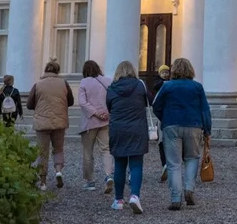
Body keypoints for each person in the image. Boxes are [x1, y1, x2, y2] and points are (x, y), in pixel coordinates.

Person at [152, 58, 212, 211]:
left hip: (171, 125)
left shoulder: (167, 86)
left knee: (173, 163)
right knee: (192, 158)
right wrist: (207, 129)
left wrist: (165, 119)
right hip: (194, 125)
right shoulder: (197, 87)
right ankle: (189, 189)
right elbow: (205, 110)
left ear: (174, 70)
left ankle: (175, 198)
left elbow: (156, 106)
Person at [106, 61, 149, 214]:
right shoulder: (140, 86)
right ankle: (134, 196)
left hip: (118, 129)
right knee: (136, 164)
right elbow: (147, 101)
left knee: (119, 164)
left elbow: (109, 107)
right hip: (137, 129)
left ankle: (118, 200)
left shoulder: (111, 88)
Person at [27, 60, 74, 191]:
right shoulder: (64, 83)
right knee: (58, 149)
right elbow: (70, 101)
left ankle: (43, 182)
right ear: (57, 71)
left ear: (45, 71)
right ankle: (58, 171)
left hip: (42, 123)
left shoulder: (38, 84)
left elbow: (30, 104)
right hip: (59, 121)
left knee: (43, 152)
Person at [79, 60, 114, 193]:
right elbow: (112, 99)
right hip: (105, 120)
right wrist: (106, 113)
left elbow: (82, 103)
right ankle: (108, 175)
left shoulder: (84, 82)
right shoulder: (108, 81)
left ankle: (90, 181)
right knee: (106, 149)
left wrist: (96, 113)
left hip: (90, 122)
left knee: (88, 152)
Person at [152, 64, 170, 183]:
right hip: (165, 116)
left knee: (163, 142)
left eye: (166, 72)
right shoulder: (160, 84)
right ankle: (166, 165)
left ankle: (166, 164)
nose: (165, 74)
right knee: (163, 142)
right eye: (163, 72)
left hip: (165, 116)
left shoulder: (171, 84)